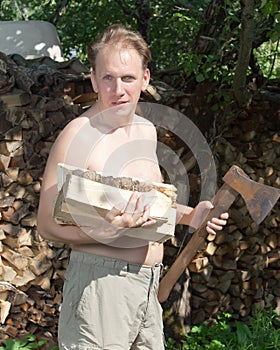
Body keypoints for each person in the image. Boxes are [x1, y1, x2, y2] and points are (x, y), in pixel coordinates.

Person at [37, 24, 229, 350]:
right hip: (101, 286)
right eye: (108, 78)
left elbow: (147, 205)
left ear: (145, 79)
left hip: (148, 283)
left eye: (128, 78)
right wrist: (105, 234)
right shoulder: (77, 134)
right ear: (94, 79)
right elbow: (46, 225)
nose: (118, 89)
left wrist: (190, 215)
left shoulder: (145, 131)